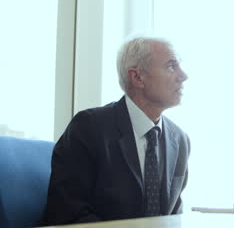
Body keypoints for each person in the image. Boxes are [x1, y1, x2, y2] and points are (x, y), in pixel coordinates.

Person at [45, 37, 190, 224]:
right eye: (171, 66)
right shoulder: (87, 128)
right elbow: (67, 212)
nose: (183, 75)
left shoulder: (179, 139)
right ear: (137, 77)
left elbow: (173, 217)